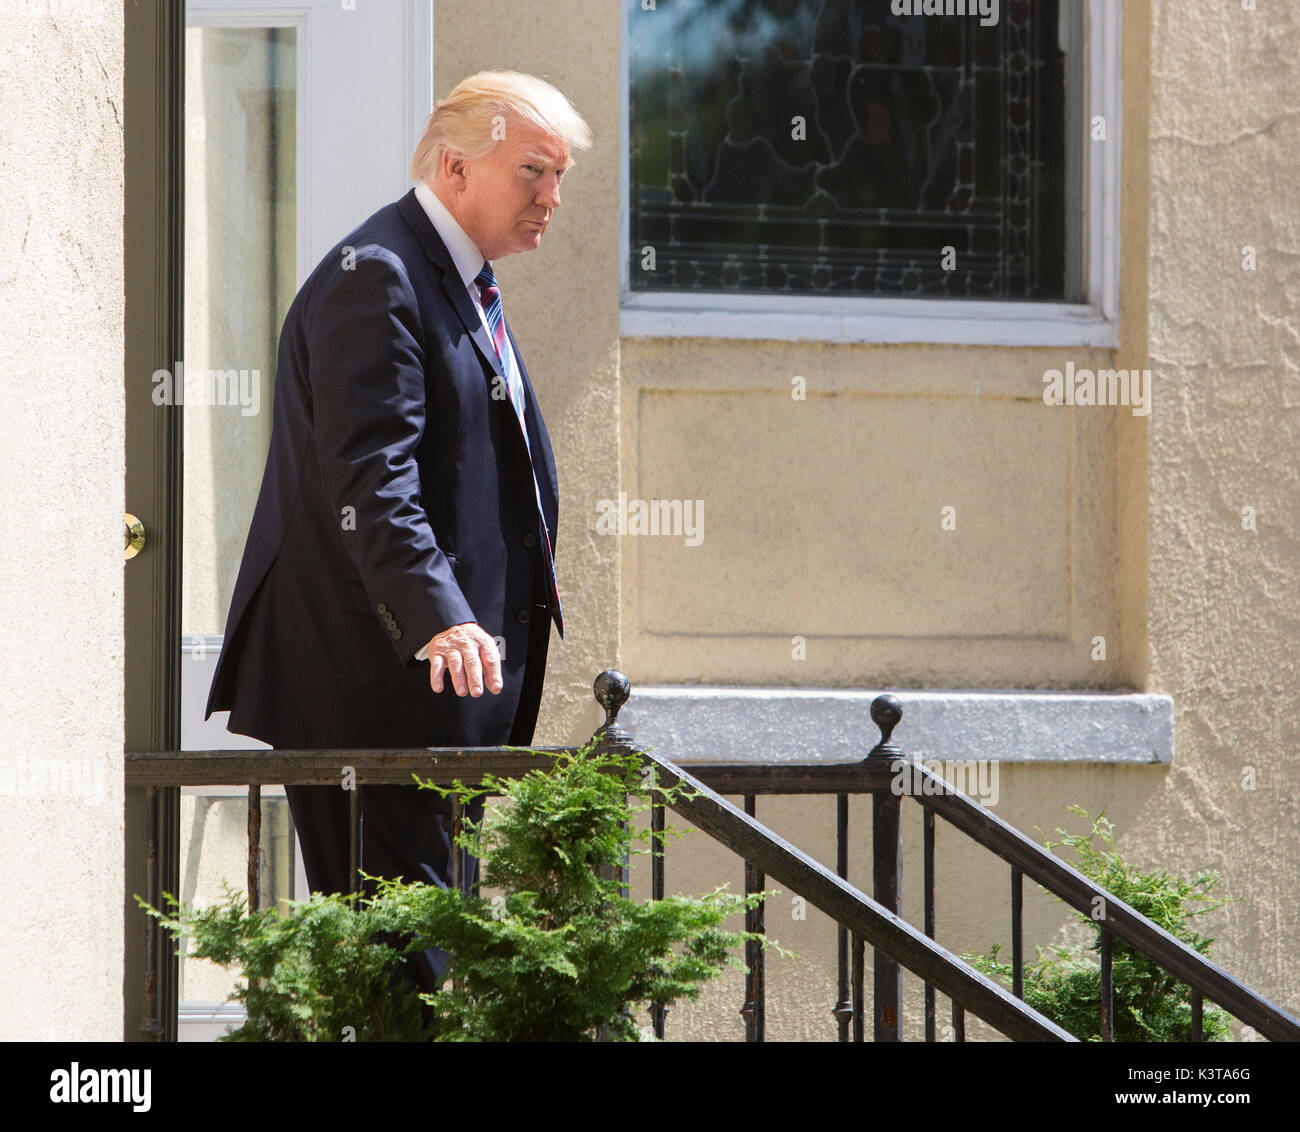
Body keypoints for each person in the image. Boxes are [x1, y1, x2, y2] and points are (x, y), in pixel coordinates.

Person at [204, 70, 591, 997]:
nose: (554, 198)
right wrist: (439, 618)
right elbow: (371, 476)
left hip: (436, 693)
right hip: (370, 687)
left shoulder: (459, 281)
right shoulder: (378, 277)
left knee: (425, 967)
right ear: (456, 166)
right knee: (397, 980)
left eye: (561, 175)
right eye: (534, 170)